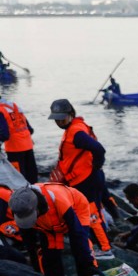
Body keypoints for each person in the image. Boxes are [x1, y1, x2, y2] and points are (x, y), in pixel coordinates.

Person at [6, 184, 103, 276]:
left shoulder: (60, 200)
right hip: (49, 226)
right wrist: (36, 266)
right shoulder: (20, 207)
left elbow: (78, 236)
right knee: (50, 261)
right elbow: (29, 241)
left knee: (81, 255)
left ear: (37, 208)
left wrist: (88, 262)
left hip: (76, 208)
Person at [47, 98, 113, 259]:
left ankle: (105, 249)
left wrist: (97, 165)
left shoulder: (76, 133)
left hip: (87, 179)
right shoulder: (74, 128)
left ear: (71, 114)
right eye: (56, 119)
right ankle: (101, 242)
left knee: (92, 214)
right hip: (87, 177)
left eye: (62, 118)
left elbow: (99, 149)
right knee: (94, 210)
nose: (59, 122)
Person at [0, 95, 38, 183]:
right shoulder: (14, 106)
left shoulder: (0, 110)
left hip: (15, 149)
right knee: (32, 176)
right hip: (28, 146)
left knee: (19, 179)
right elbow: (30, 129)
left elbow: (4, 134)